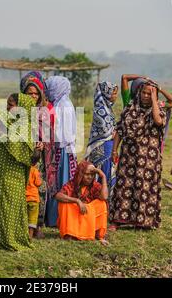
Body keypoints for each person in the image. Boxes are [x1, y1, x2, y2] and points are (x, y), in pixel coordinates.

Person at [0, 93, 38, 251]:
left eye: (11, 105)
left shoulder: (28, 126)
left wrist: (36, 150)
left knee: (12, 203)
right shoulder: (1, 118)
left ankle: (11, 237)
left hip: (16, 172)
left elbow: (31, 156)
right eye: (7, 104)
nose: (7, 108)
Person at [110, 82, 166, 230]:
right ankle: (118, 220)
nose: (146, 96)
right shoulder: (129, 108)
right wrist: (114, 150)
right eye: (144, 93)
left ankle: (142, 221)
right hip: (129, 154)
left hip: (149, 157)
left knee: (144, 187)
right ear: (139, 93)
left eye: (149, 93)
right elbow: (120, 129)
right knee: (124, 185)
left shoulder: (159, 108)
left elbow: (158, 121)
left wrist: (154, 99)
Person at [20, 71, 55, 238]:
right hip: (21, 157)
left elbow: (50, 136)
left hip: (39, 159)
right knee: (22, 190)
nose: (33, 96)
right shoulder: (18, 112)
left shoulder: (44, 112)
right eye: (29, 93)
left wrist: (43, 144)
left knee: (39, 190)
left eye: (36, 93)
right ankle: (22, 224)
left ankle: (37, 224)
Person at [44, 76, 77, 227]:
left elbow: (58, 133)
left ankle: (55, 217)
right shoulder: (66, 103)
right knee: (64, 182)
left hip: (60, 150)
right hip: (68, 150)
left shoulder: (60, 106)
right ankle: (62, 217)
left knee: (57, 184)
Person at [55, 161, 108, 244]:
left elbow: (104, 197)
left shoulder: (95, 185)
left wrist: (103, 177)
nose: (90, 177)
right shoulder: (72, 184)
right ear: (80, 174)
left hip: (88, 216)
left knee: (102, 204)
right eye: (87, 174)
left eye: (92, 175)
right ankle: (70, 233)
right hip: (76, 215)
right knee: (64, 203)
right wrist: (77, 201)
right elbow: (58, 196)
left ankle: (96, 234)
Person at [84, 81, 118, 192]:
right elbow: (105, 129)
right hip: (102, 147)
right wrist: (115, 131)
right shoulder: (100, 110)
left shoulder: (108, 108)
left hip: (108, 146)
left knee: (107, 171)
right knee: (103, 172)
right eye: (113, 93)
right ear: (106, 94)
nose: (115, 96)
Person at [26, 150, 43, 240]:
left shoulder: (25, 169)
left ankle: (24, 234)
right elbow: (38, 183)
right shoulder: (35, 171)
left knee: (25, 217)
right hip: (34, 199)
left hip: (25, 198)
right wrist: (39, 176)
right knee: (32, 218)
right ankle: (30, 236)